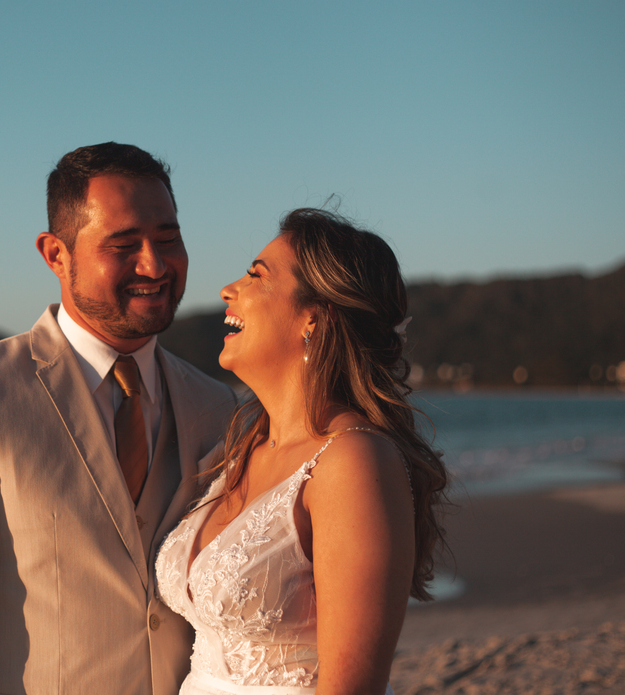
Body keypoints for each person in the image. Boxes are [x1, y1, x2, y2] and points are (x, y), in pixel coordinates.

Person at [0, 142, 238, 695]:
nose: (155, 263)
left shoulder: (216, 405)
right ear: (56, 255)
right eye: (124, 245)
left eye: (168, 239)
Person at [155, 208, 449, 695]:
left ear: (313, 317)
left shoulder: (353, 462)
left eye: (256, 276)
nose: (229, 289)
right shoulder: (244, 449)